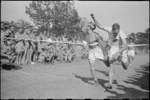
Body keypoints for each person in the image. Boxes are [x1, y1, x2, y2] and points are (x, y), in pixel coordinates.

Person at [91, 13, 131, 89]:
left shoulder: (122, 33)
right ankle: (110, 83)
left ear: (119, 30)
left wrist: (117, 53)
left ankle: (128, 60)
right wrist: (94, 18)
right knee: (111, 65)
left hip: (122, 49)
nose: (115, 34)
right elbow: (99, 26)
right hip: (113, 49)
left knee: (125, 67)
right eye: (114, 33)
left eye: (116, 33)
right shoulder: (110, 30)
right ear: (112, 30)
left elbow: (126, 46)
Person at [84, 21, 108, 86]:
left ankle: (109, 69)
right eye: (88, 26)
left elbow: (102, 44)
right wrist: (85, 46)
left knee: (105, 61)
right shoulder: (86, 35)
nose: (87, 27)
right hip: (91, 51)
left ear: (92, 28)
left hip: (97, 50)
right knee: (91, 67)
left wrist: (105, 54)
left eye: (89, 26)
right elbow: (86, 44)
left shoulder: (95, 35)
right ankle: (95, 80)